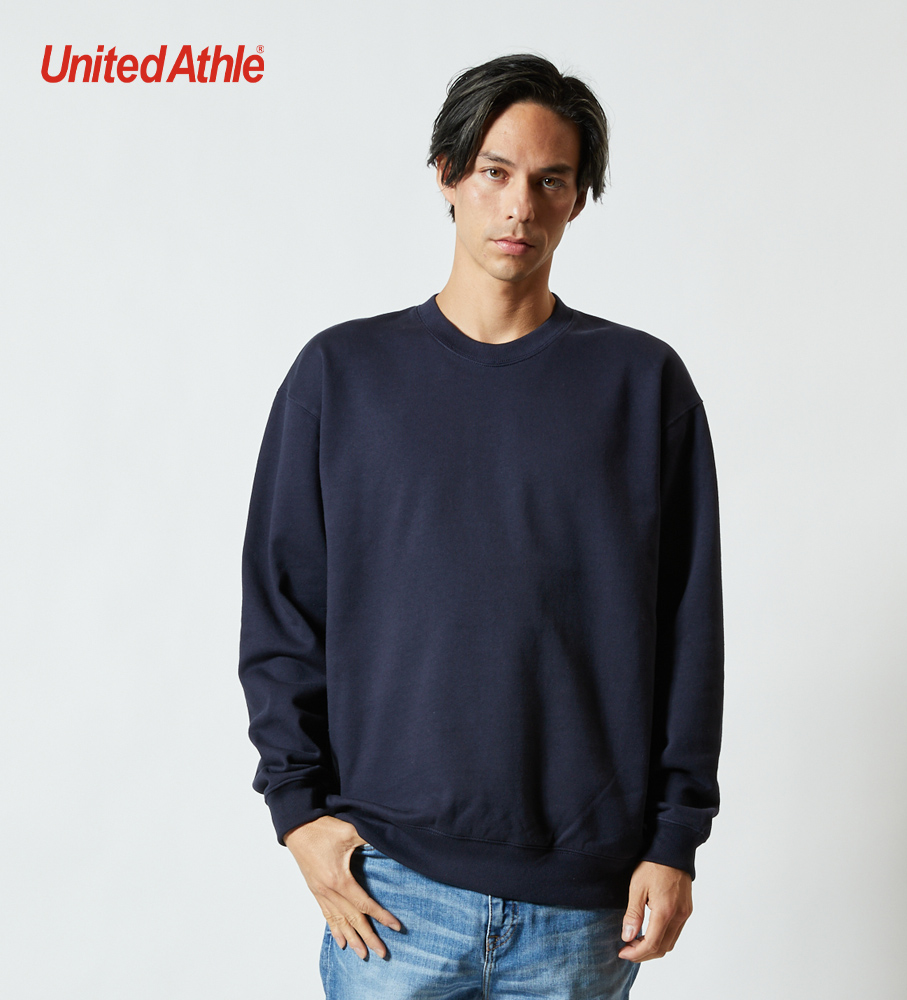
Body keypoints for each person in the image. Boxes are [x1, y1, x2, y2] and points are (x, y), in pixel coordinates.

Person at [238, 53, 724, 999]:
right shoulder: (342, 376)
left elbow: (688, 630)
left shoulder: (641, 386)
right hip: (392, 890)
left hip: (582, 906)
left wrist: (676, 839)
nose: (519, 207)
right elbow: (283, 607)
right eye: (496, 172)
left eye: (551, 181)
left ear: (577, 200)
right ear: (448, 174)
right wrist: (298, 813)